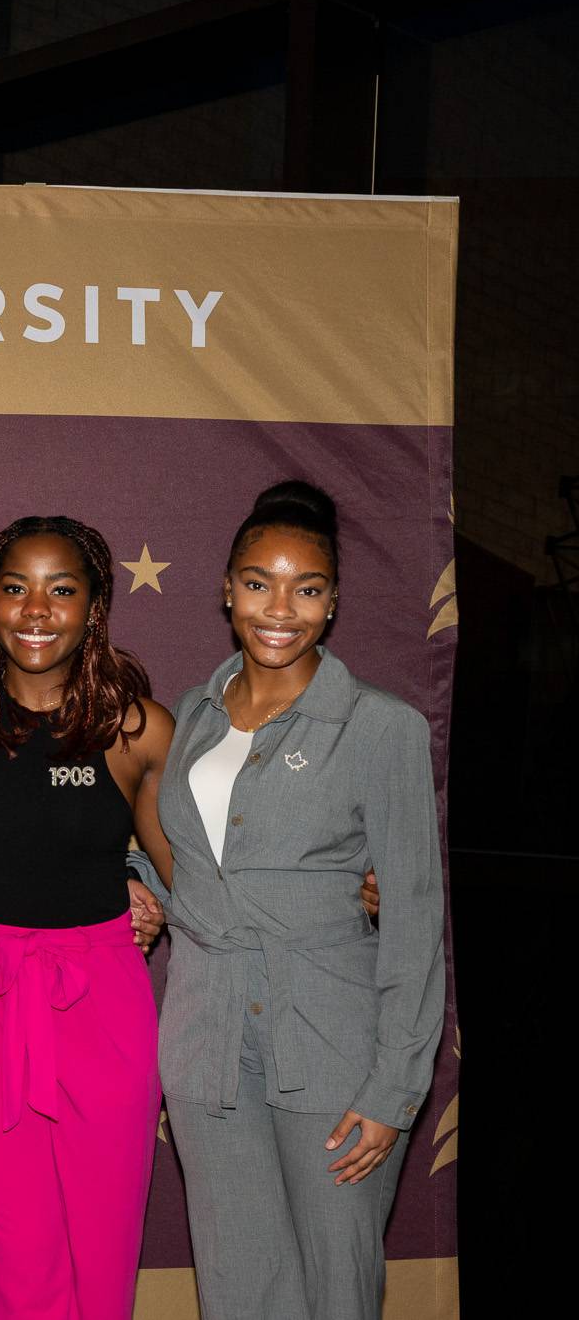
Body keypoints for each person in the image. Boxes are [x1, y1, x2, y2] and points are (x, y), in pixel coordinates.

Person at [154, 481, 445, 1320]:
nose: (279, 608)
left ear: (333, 603)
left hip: (334, 1045)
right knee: (238, 1290)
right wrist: (141, 879)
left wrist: (394, 1087)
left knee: (333, 1288)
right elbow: (191, 855)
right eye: (257, 582)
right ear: (226, 589)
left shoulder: (380, 727)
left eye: (307, 588)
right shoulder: (194, 718)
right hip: (206, 1043)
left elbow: (417, 919)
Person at [0, 517, 175, 1320]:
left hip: (99, 996)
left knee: (101, 1245)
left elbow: (195, 874)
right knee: (11, 1243)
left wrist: (147, 887)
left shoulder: (137, 729)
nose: (36, 609)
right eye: (15, 588)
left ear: (95, 606)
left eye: (61, 589)